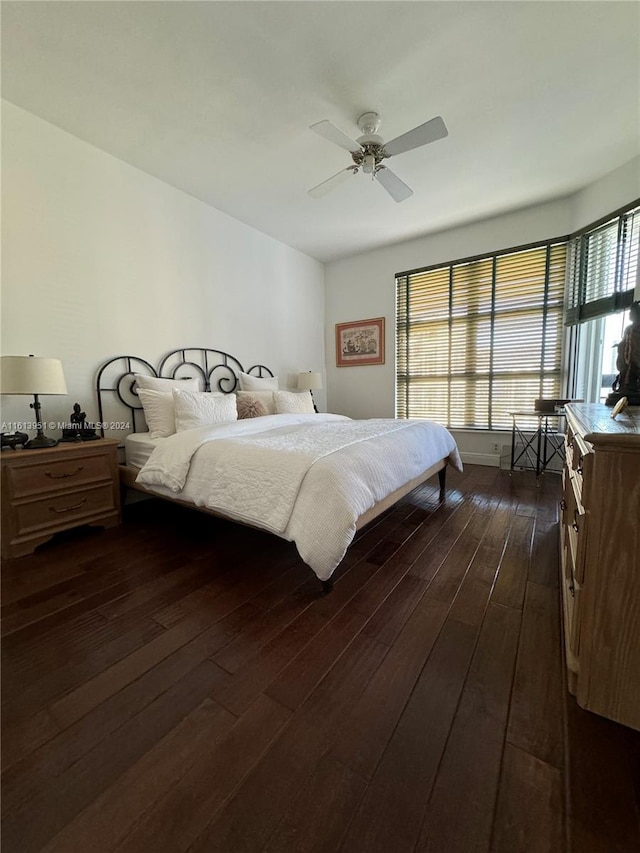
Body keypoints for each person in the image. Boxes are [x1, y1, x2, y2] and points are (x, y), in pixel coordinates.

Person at [614, 301, 640, 394]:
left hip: (635, 362)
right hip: (626, 361)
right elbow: (624, 341)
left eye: (632, 313)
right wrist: (620, 346)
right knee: (625, 374)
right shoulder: (628, 329)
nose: (630, 315)